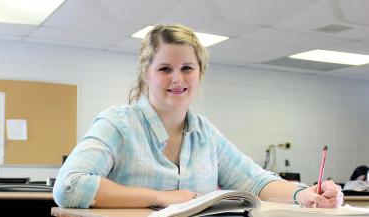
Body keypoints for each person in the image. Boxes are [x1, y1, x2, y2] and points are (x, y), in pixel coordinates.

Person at [52, 23, 343, 209]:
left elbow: (255, 182)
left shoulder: (205, 133)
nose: (177, 78)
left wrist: (304, 194)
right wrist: (158, 197)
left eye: (187, 68)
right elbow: (70, 186)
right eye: (165, 69)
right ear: (146, 74)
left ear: (200, 73)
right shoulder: (117, 123)